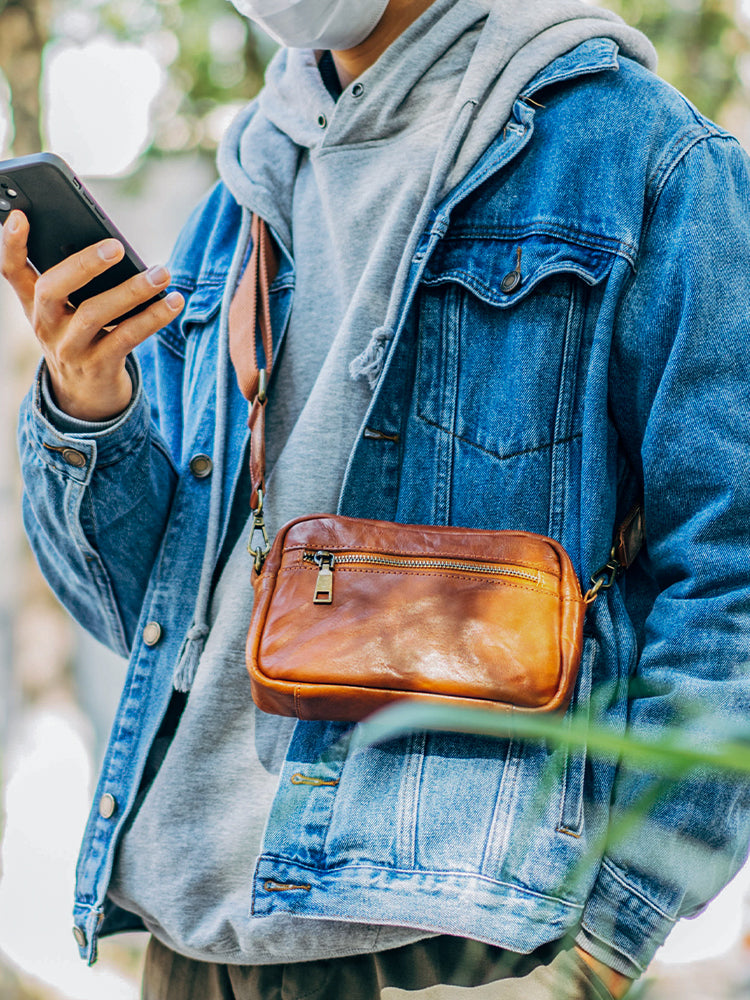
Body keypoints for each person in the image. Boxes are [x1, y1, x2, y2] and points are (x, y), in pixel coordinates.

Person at [5, 0, 750, 997]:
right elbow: (144, 613)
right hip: (195, 939)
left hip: (453, 939)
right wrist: (89, 404)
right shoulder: (241, 197)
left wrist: (605, 947)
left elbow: (732, 583)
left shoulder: (642, 160)